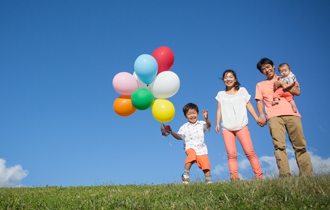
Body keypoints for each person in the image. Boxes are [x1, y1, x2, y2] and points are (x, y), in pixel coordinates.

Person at [255, 58, 313, 177]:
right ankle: (285, 176)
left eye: (268, 67)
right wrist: (261, 115)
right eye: (263, 69)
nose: (266, 70)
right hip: (274, 117)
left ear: (273, 66)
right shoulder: (260, 85)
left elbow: (297, 92)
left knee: (300, 145)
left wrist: (282, 83)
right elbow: (259, 102)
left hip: (292, 114)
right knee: (279, 147)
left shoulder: (288, 77)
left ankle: (307, 176)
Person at [215, 70, 263, 181]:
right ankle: (234, 177)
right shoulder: (220, 95)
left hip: (242, 126)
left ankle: (259, 176)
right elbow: (219, 110)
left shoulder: (242, 91)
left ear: (235, 79)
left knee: (250, 152)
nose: (228, 79)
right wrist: (217, 123)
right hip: (227, 128)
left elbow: (249, 105)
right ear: (224, 81)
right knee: (231, 154)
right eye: (226, 77)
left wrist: (257, 118)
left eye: (231, 77)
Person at [169, 103, 212, 184]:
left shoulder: (202, 124)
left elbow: (209, 126)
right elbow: (179, 136)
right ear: (185, 116)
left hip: (201, 148)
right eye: (189, 114)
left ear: (198, 114)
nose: (192, 116)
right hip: (190, 147)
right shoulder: (184, 127)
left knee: (205, 164)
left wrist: (207, 118)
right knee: (191, 156)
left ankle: (208, 181)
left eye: (194, 113)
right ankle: (186, 175)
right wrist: (171, 133)